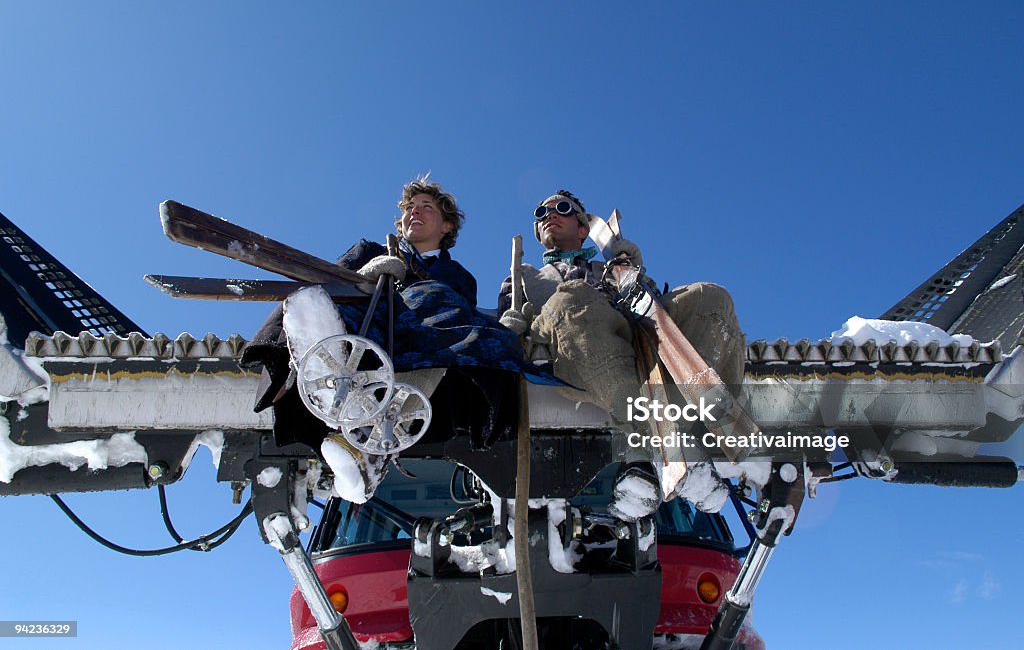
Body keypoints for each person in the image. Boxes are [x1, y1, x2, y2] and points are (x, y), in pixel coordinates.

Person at [242, 178, 531, 503]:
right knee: (317, 297)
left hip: (418, 347)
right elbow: (332, 280)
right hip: (362, 333)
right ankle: (326, 372)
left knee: (449, 324)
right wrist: (367, 274)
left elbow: (458, 314)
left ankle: (368, 436)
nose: (414, 213)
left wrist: (412, 280)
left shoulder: (460, 276)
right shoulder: (369, 250)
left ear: (447, 225)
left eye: (426, 207)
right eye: (410, 208)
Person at [497, 190, 746, 516]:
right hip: (571, 346)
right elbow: (507, 325)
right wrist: (508, 328)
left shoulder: (611, 268)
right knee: (572, 299)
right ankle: (663, 446)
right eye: (541, 211)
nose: (549, 215)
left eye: (562, 208)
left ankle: (709, 436)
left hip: (633, 343)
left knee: (710, 298)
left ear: (583, 229)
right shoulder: (523, 276)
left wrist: (633, 274)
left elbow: (652, 310)